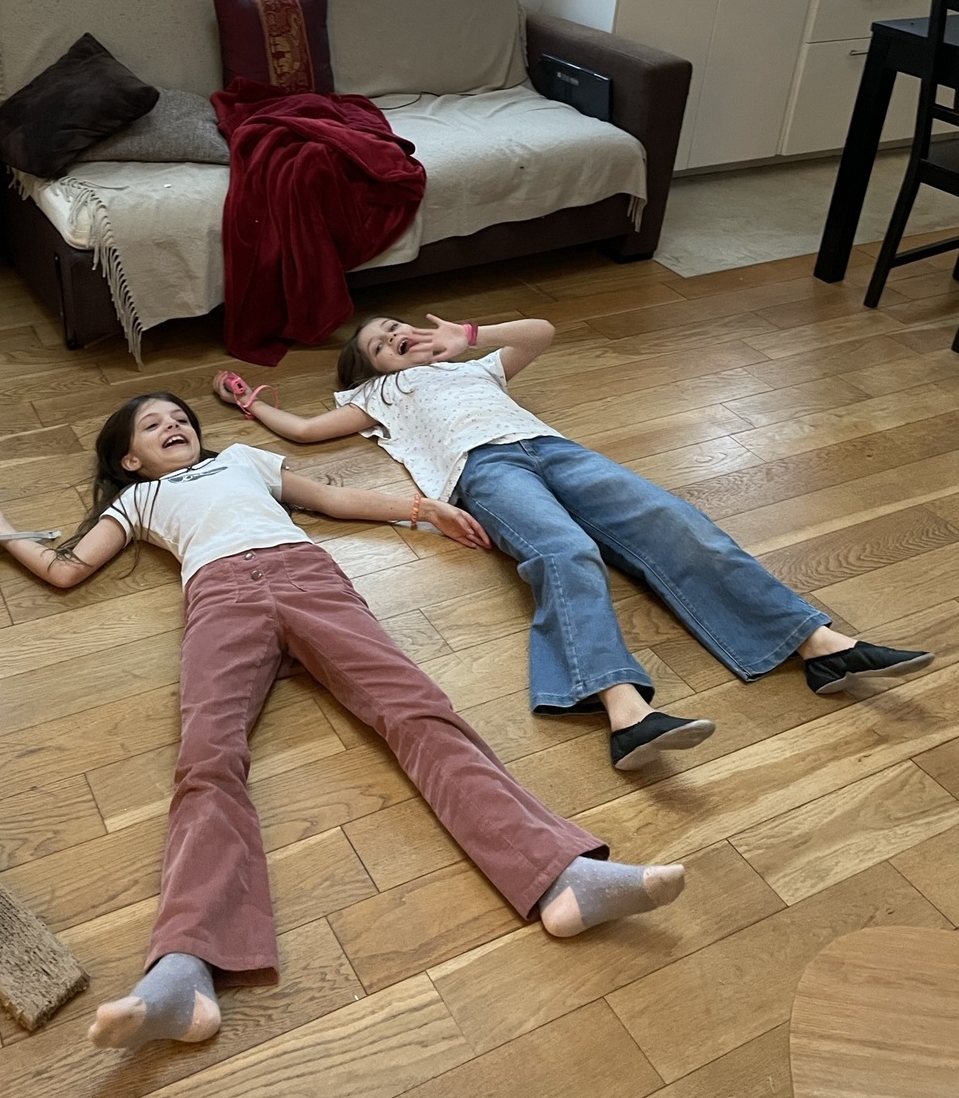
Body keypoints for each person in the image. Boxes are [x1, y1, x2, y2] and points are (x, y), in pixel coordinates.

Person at [0, 389, 687, 1054]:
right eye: (153, 426)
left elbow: (330, 499)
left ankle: (562, 877)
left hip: (308, 578)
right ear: (129, 459)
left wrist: (419, 508)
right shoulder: (137, 501)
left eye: (180, 417)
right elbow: (65, 569)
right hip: (219, 602)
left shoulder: (242, 459)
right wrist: (2, 530)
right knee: (206, 760)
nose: (173, 425)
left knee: (418, 711)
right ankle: (185, 968)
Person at [214, 315, 934, 772]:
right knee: (564, 553)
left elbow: (541, 333)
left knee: (675, 521)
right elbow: (304, 431)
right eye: (379, 343)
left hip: (556, 450)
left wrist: (470, 335)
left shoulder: (465, 364)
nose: (395, 335)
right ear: (367, 371)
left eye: (397, 326)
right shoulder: (375, 398)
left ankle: (818, 645)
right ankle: (624, 711)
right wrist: (252, 404)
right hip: (482, 472)